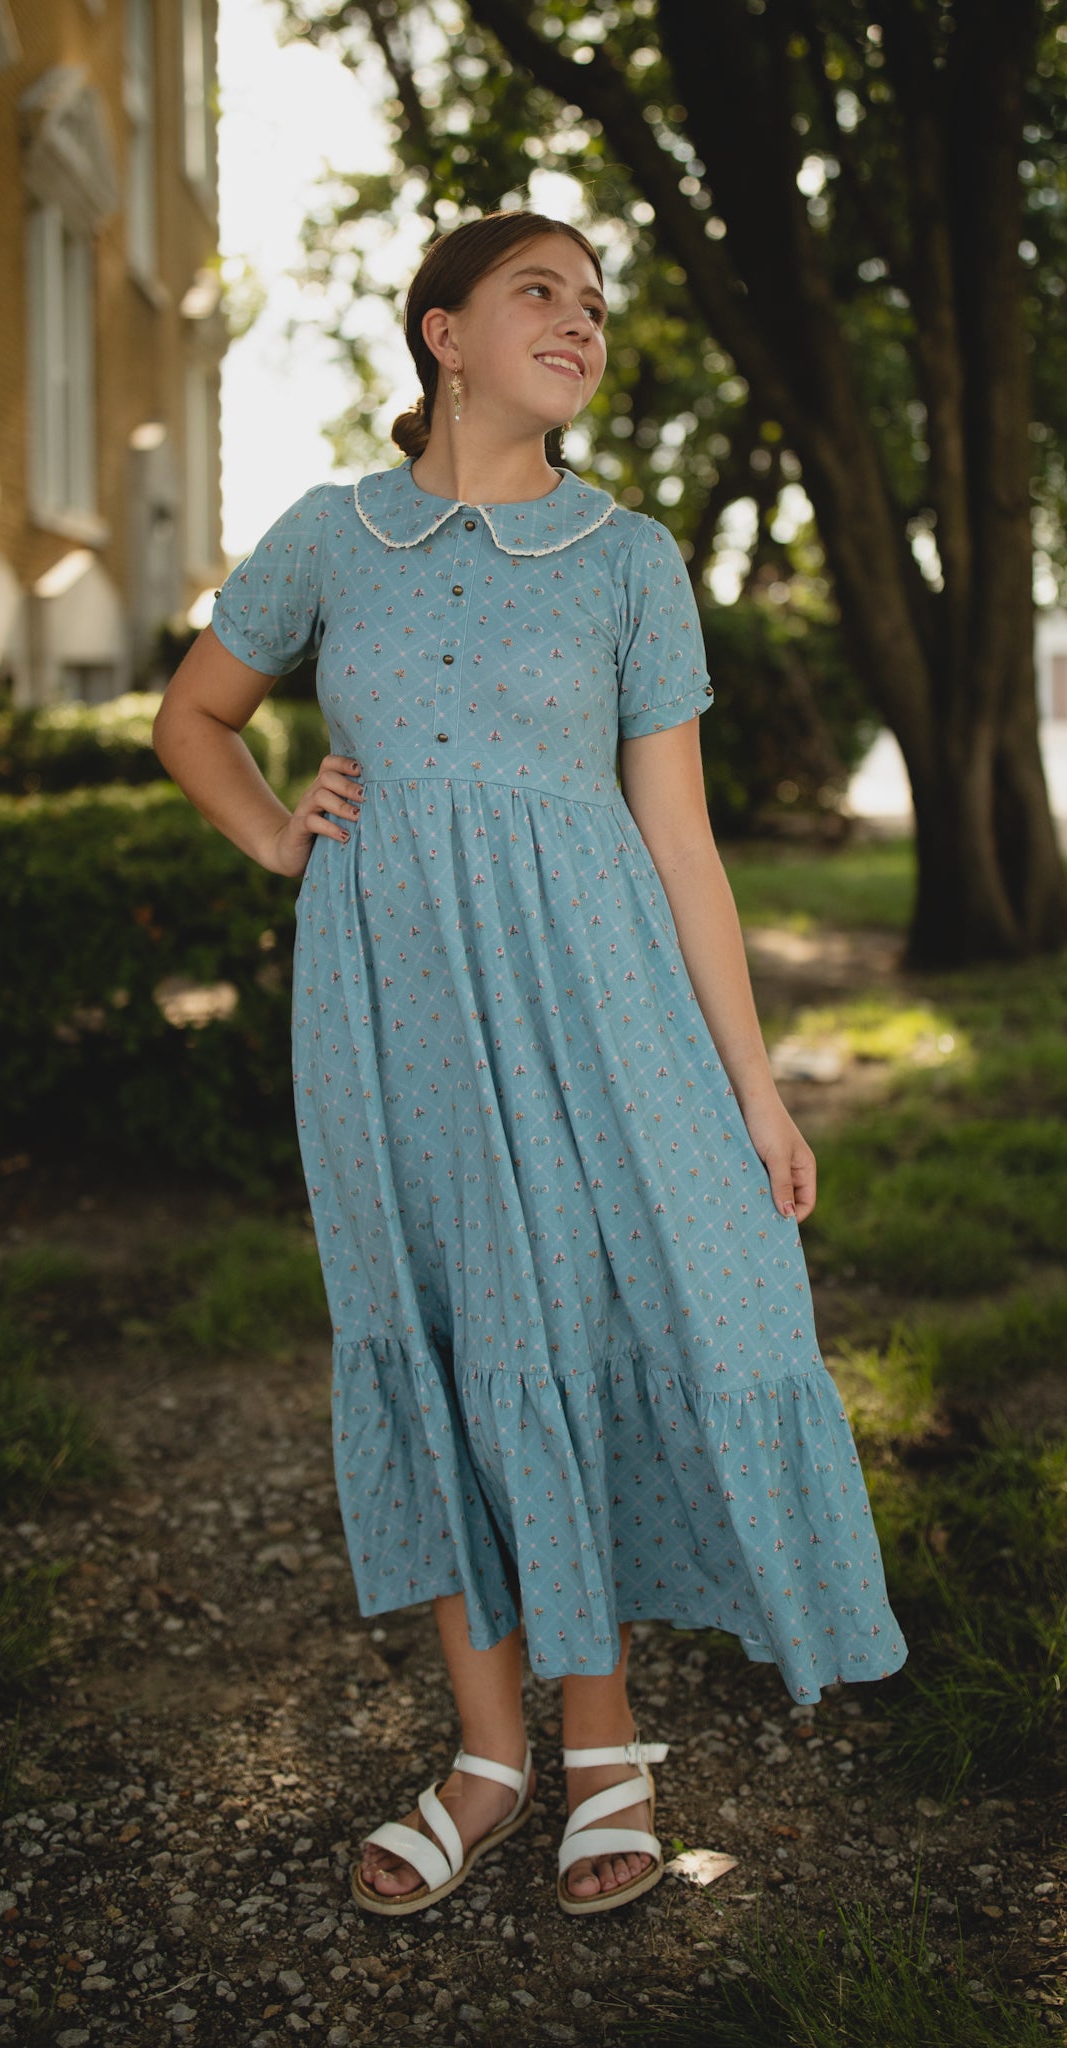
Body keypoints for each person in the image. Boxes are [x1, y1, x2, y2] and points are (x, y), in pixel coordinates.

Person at [152, 208, 907, 1921]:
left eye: (592, 302)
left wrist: (757, 1085)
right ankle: (488, 1756)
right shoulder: (328, 538)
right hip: (390, 1012)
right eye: (537, 293)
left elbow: (685, 848)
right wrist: (279, 837)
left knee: (609, 1319)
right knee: (433, 1328)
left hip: (599, 1008)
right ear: (442, 333)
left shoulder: (627, 558)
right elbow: (193, 716)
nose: (579, 320)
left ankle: (607, 1742)